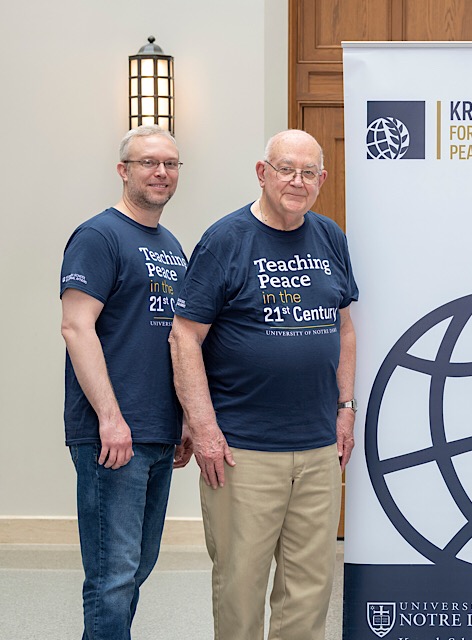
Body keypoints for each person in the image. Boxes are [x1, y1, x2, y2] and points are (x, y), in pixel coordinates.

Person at [169, 129, 358, 639]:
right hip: (241, 451)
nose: (297, 181)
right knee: (240, 590)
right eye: (285, 169)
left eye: (308, 173)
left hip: (318, 449)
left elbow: (343, 328)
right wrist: (203, 427)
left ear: (321, 179)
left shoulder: (330, 236)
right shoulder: (225, 240)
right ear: (262, 173)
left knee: (309, 591)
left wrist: (346, 407)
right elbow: (184, 337)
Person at [60, 125, 193, 639]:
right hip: (113, 435)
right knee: (112, 575)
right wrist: (111, 419)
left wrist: (181, 418)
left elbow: (172, 340)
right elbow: (76, 326)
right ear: (124, 170)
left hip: (157, 432)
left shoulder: (170, 245)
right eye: (148, 162)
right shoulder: (99, 236)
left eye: (171, 164)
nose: (161, 172)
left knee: (137, 567)